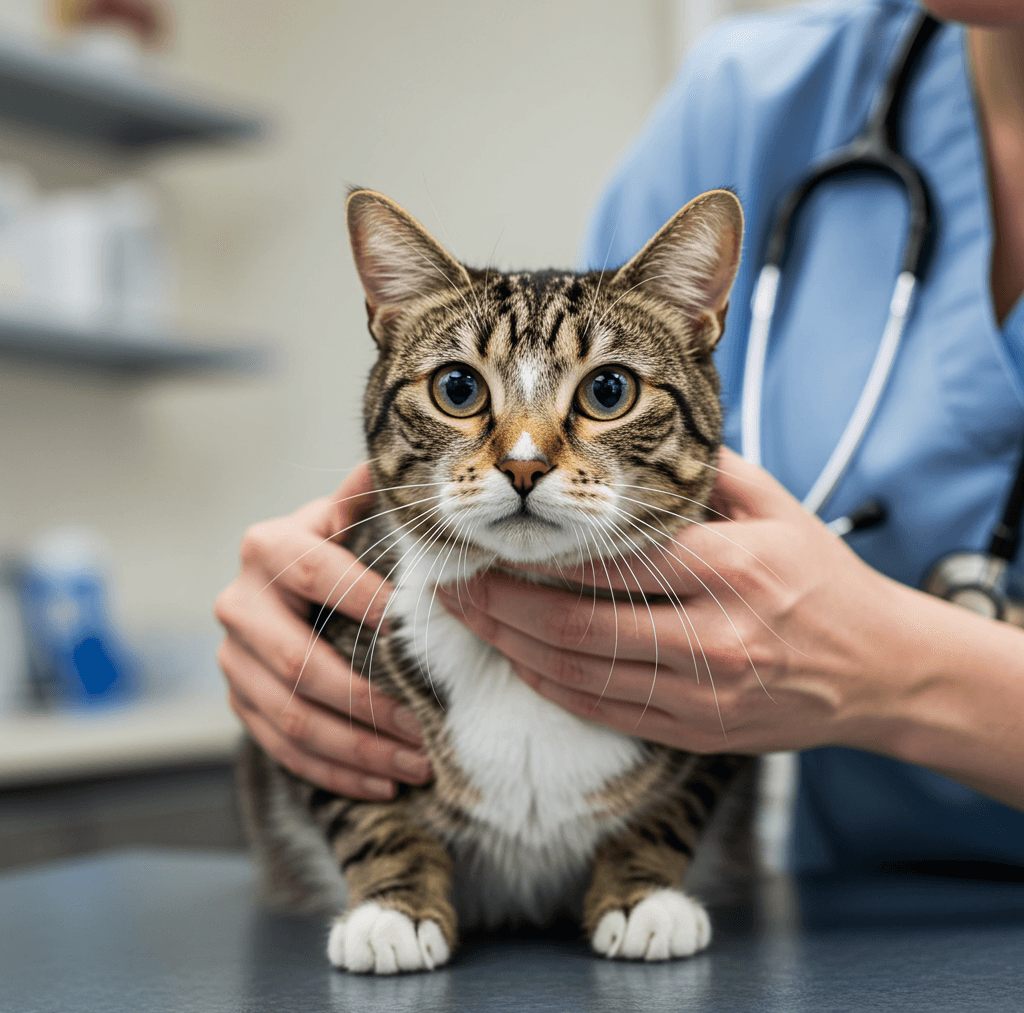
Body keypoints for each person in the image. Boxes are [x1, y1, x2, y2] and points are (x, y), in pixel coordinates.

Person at [216, 0, 1024, 876]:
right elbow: (538, 352)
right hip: (846, 924)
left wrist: (896, 673)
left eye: (604, 394)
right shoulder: (756, 95)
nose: (526, 456)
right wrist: (328, 588)